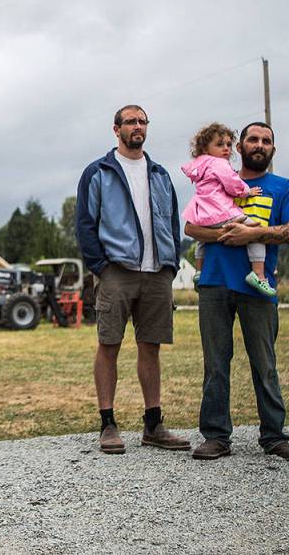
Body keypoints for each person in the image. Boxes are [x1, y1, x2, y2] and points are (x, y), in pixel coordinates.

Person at [185, 121, 289, 462]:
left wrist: (252, 235)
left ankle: (274, 436)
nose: (259, 145)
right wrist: (228, 234)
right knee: (216, 364)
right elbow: (191, 226)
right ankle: (215, 436)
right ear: (239, 147)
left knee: (265, 364)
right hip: (214, 283)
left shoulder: (284, 188)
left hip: (259, 287)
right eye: (252, 139)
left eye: (266, 141)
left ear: (272, 149)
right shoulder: (217, 178)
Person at [75, 104, 188, 454]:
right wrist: (101, 267)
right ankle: (107, 423)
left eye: (142, 121)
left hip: (157, 273)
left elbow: (171, 221)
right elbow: (84, 224)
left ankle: (153, 424)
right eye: (130, 122)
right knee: (109, 345)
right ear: (116, 129)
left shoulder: (160, 174)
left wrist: (171, 265)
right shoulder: (99, 172)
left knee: (150, 347)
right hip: (117, 272)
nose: (137, 127)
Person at [181, 122, 275, 297]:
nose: (226, 149)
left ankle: (199, 271)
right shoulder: (220, 164)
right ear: (205, 148)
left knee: (202, 241)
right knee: (255, 232)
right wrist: (247, 191)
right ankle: (258, 274)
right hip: (221, 211)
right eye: (219, 144)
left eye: (228, 145)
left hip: (202, 212)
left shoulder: (200, 164)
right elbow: (233, 184)